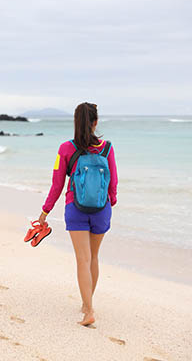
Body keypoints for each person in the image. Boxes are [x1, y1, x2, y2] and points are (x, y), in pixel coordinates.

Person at [38, 102, 118, 327]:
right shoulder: (107, 148)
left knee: (82, 259)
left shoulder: (65, 149)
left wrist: (45, 211)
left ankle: (88, 309)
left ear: (75, 122)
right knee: (93, 257)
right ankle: (87, 304)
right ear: (95, 122)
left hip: (76, 209)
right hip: (102, 210)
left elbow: (56, 185)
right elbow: (113, 182)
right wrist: (109, 203)